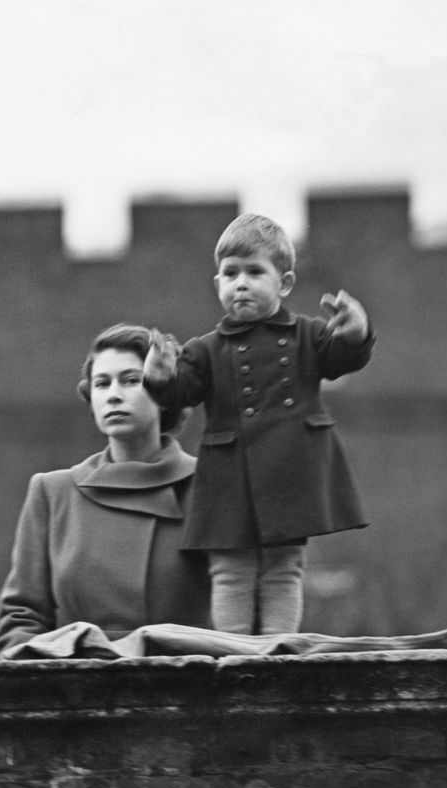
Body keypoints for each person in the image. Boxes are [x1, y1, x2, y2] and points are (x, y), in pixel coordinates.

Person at [144, 212, 374, 635]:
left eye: (254, 272)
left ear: (283, 284)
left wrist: (354, 333)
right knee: (231, 568)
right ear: (217, 285)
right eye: (230, 274)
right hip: (230, 475)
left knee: (283, 567)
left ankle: (277, 651)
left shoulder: (307, 334)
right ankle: (234, 652)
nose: (241, 283)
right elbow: (180, 394)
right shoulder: (206, 349)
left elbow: (342, 360)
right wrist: (160, 374)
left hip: (290, 469)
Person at [0, 324, 210, 655]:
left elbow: (243, 611)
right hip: (77, 694)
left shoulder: (209, 486)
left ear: (166, 389)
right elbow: (20, 621)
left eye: (131, 380)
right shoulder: (53, 493)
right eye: (101, 383)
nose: (113, 395)